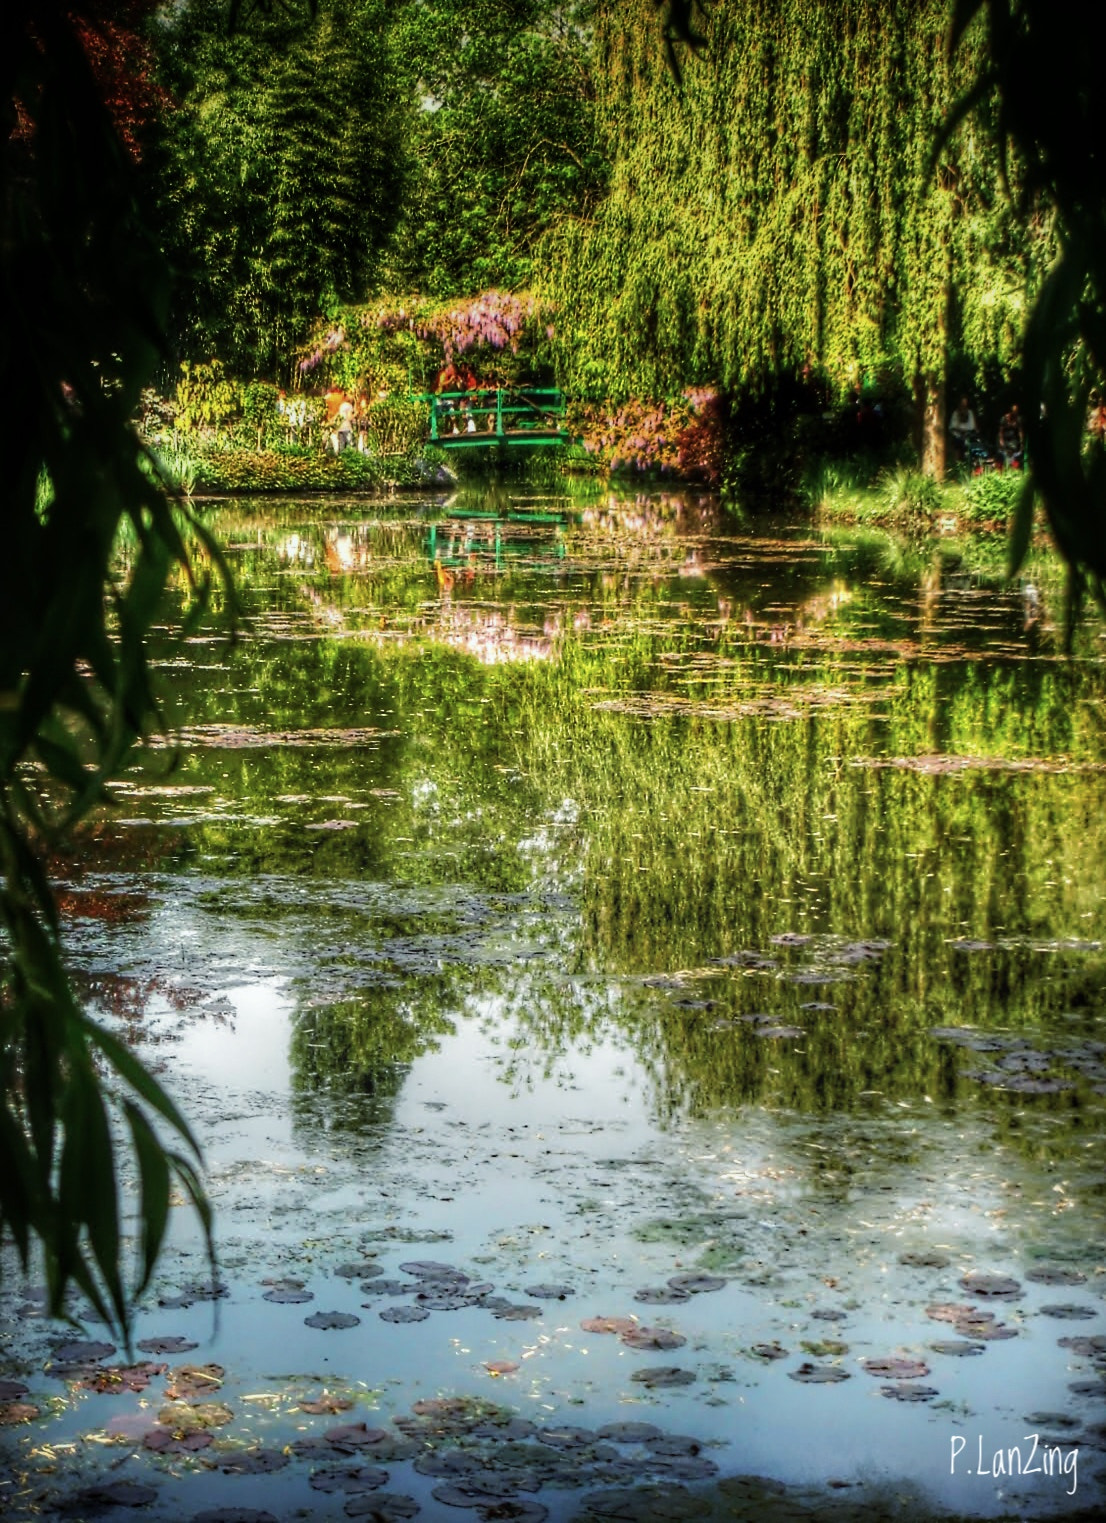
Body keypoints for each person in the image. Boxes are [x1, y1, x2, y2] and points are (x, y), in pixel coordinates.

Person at [997, 403, 1023, 468]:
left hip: (1013, 439)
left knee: (1014, 448)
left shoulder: (1018, 419)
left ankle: (1012, 465)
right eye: (1014, 410)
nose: (1015, 412)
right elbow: (1001, 430)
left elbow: (1020, 431)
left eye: (1016, 410)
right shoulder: (1004, 418)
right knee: (1003, 449)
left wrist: (1021, 441)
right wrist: (1001, 439)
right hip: (1005, 437)